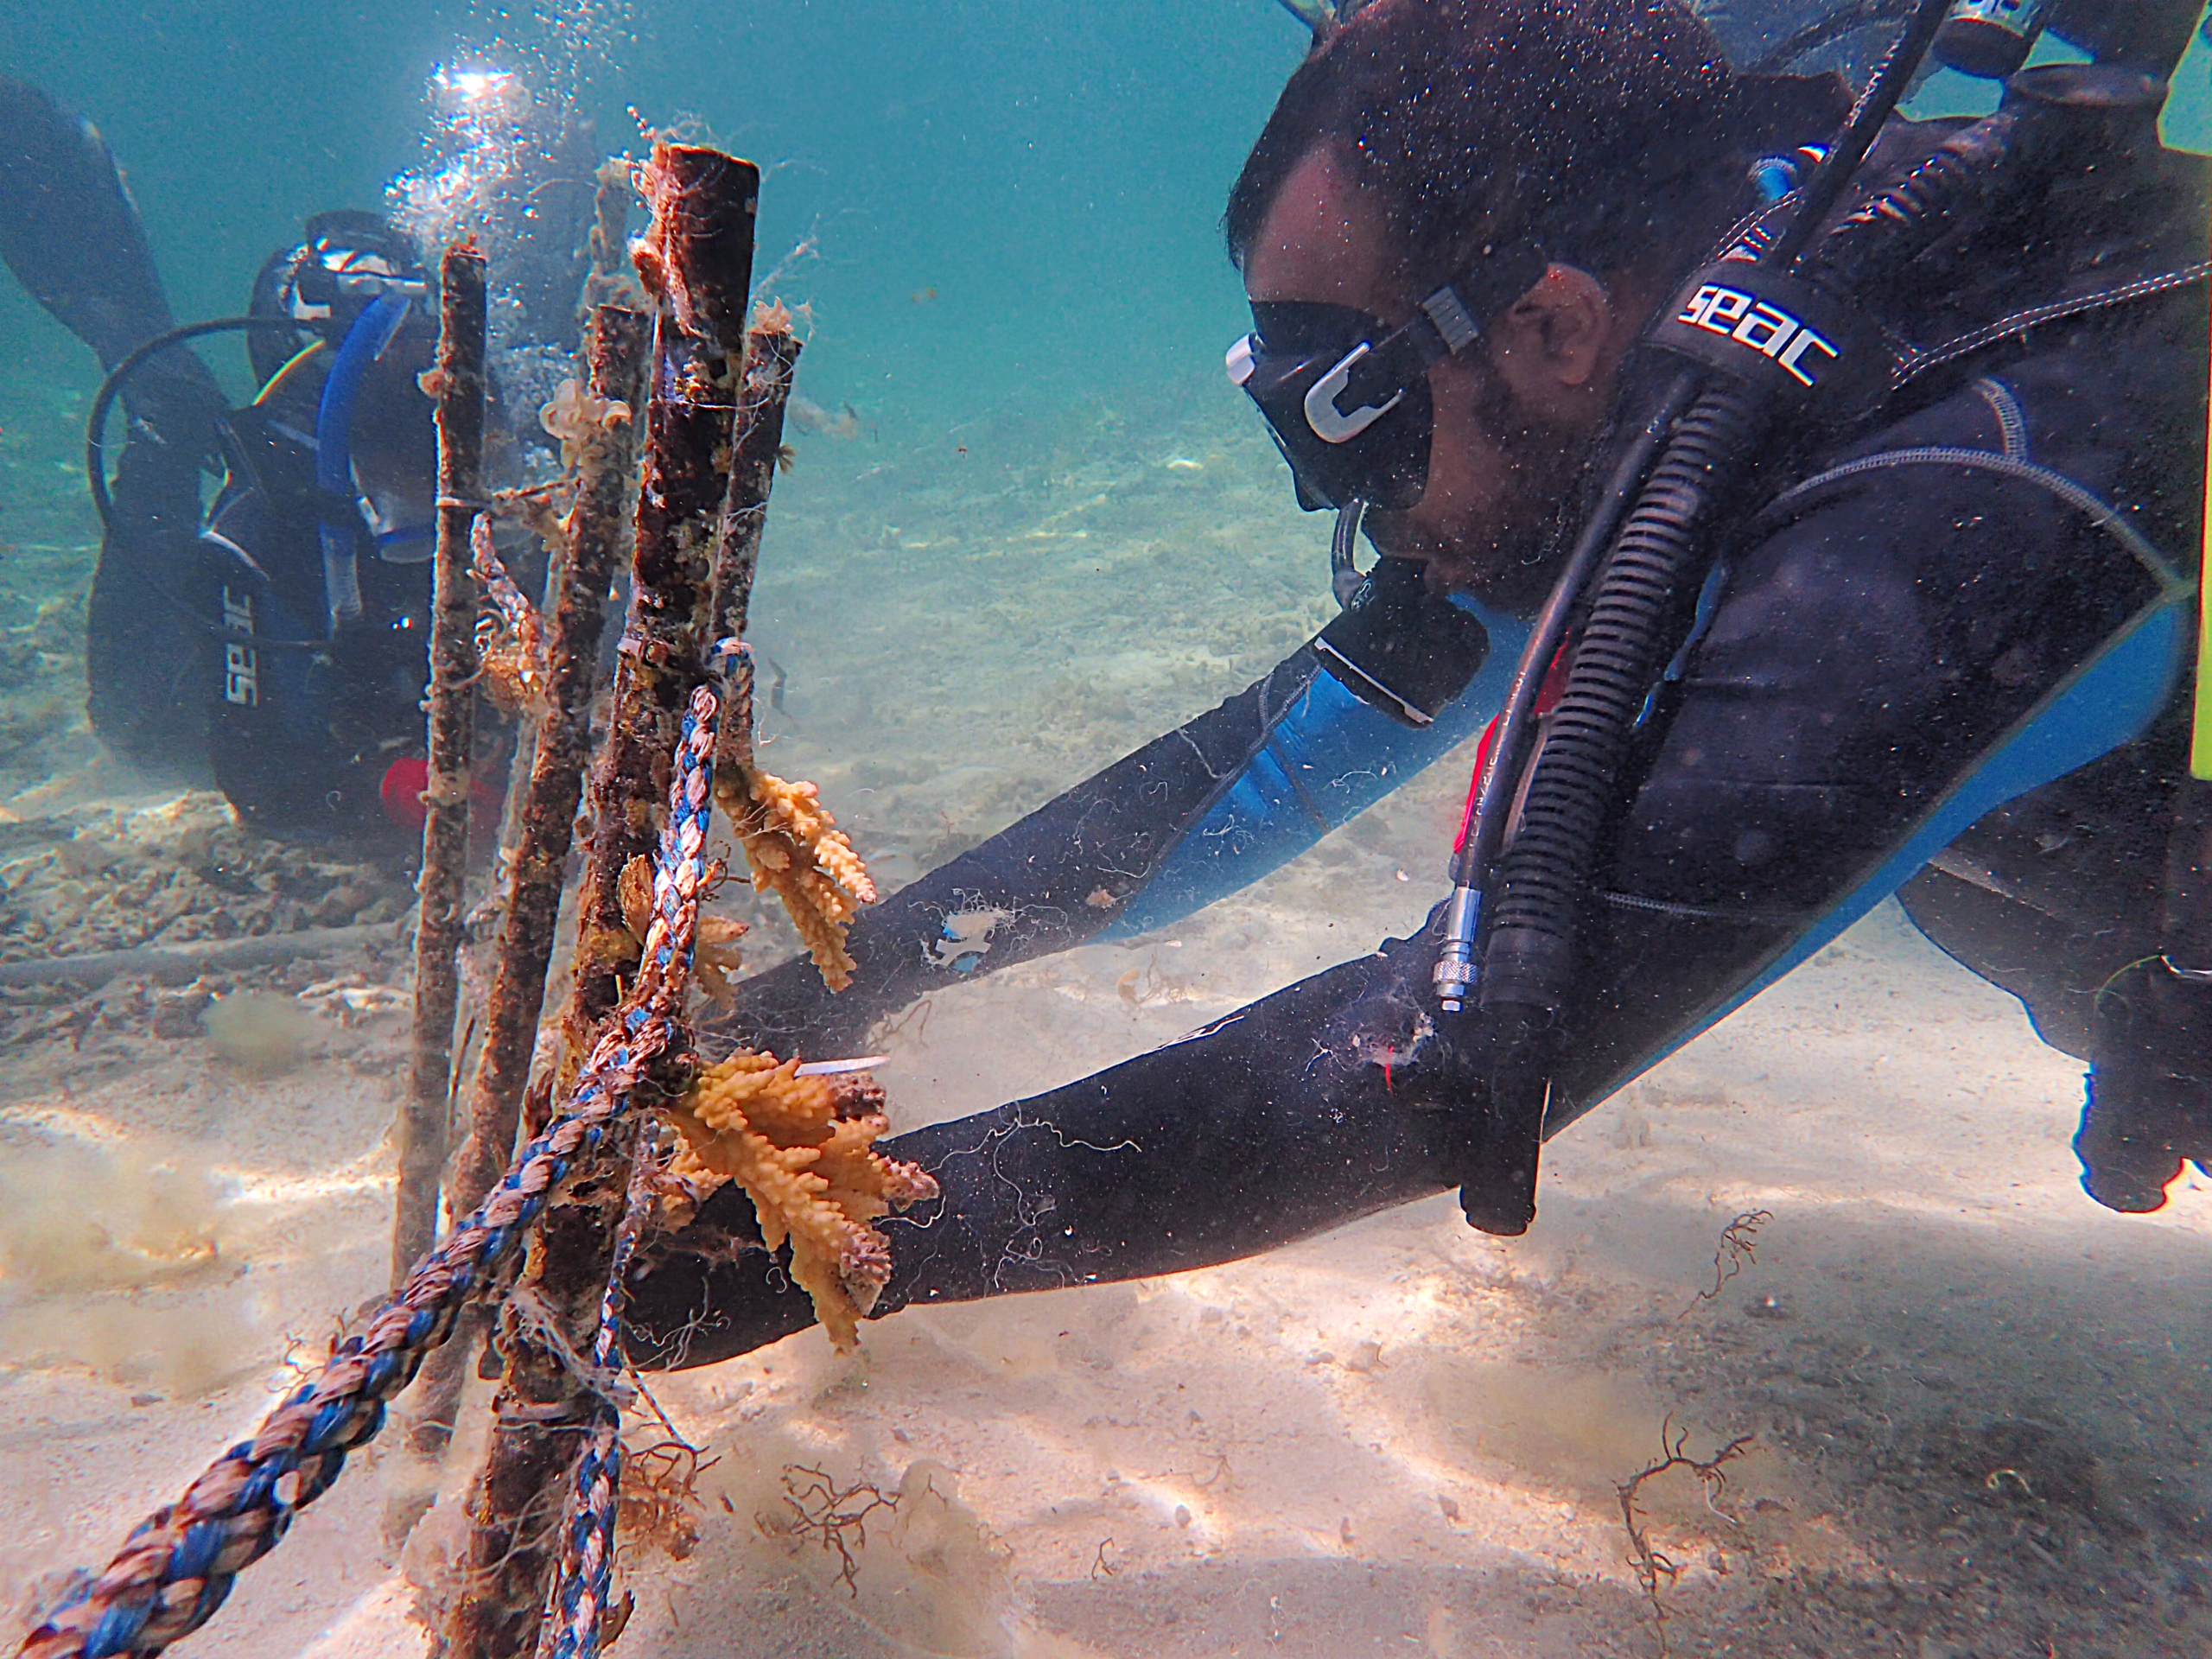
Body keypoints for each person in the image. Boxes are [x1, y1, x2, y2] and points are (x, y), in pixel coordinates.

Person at [615, 0, 2209, 1366]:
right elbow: (1243, 785)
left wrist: (787, 1248)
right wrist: (824, 983)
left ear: (1557, 322)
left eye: (1349, 421)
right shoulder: (1663, 411)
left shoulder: (1969, 502)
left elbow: (1448, 1053)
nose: (1342, 506)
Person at [1, 76, 450, 842]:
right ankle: (165, 409)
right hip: (172, 708)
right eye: (391, 349)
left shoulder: (472, 453)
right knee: (173, 429)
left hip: (373, 687)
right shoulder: (260, 521)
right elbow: (266, 785)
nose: (418, 374)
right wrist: (385, 795)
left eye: (425, 341)